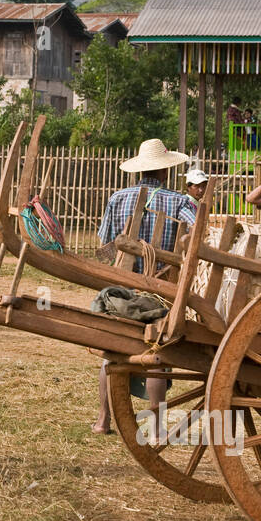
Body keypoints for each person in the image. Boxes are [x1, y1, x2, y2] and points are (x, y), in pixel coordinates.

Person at [93, 138, 197, 439]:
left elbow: (106, 246)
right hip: (160, 292)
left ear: (140, 170)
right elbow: (194, 237)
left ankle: (103, 420)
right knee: (157, 353)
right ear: (165, 171)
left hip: (121, 291)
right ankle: (158, 426)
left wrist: (123, 267)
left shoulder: (118, 198)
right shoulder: (180, 202)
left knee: (112, 353)